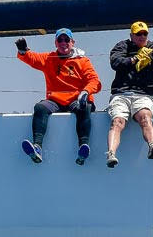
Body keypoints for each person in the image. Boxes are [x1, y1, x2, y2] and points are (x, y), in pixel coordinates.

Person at [16, 28, 102, 165]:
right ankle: (37, 148)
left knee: (84, 107)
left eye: (66, 39)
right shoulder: (49, 58)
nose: (63, 43)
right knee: (40, 107)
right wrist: (23, 51)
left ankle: (83, 148)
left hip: (76, 99)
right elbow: (33, 58)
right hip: (55, 100)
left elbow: (95, 81)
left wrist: (86, 92)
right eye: (60, 40)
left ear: (72, 42)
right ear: (55, 43)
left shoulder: (82, 61)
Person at [105, 21, 153, 167]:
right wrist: (135, 59)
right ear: (131, 35)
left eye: (144, 34)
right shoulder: (122, 46)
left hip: (144, 94)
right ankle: (111, 153)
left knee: (145, 118)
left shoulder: (152, 46)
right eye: (138, 34)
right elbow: (115, 62)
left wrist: (148, 53)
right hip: (121, 93)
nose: (142, 36)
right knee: (117, 122)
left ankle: (152, 145)